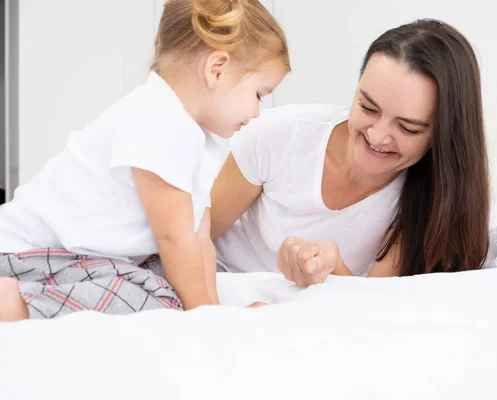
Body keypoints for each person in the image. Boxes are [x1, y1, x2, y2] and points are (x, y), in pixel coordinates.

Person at [0, 0, 289, 321]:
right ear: (216, 69)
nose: (256, 112)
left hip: (74, 255)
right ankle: (13, 304)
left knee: (168, 275)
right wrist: (207, 321)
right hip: (23, 257)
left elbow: (198, 242)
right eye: (259, 94)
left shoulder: (199, 141)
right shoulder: (158, 120)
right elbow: (176, 239)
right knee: (156, 299)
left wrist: (213, 313)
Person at [210, 19, 490, 287]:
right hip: (217, 283)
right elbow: (189, 239)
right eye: (368, 108)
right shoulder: (277, 136)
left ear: (441, 137)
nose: (377, 137)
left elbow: (366, 307)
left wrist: (330, 265)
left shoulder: (428, 203)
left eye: (408, 128)